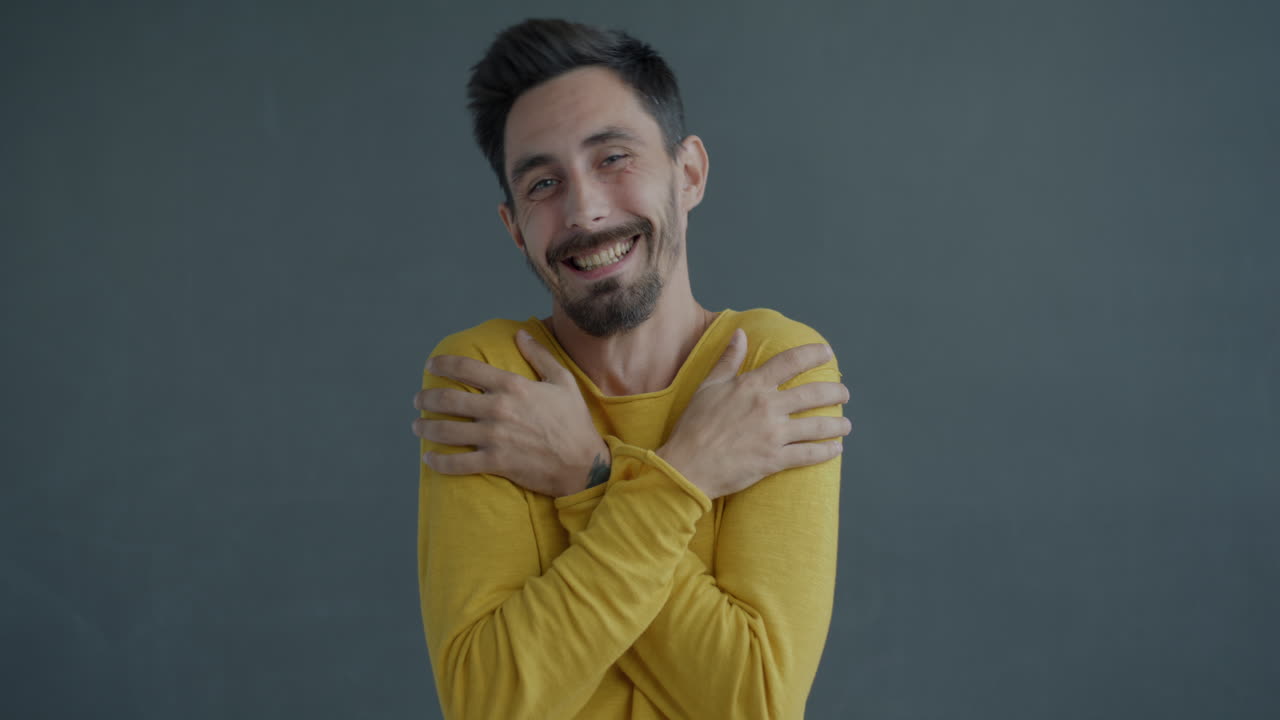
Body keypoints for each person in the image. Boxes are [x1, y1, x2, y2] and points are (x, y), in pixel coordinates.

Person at [411, 18, 852, 720]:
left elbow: (756, 704)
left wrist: (588, 476)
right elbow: (486, 705)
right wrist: (684, 479)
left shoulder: (772, 370)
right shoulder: (489, 378)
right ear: (514, 227)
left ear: (689, 173)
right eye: (544, 182)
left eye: (613, 158)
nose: (584, 209)